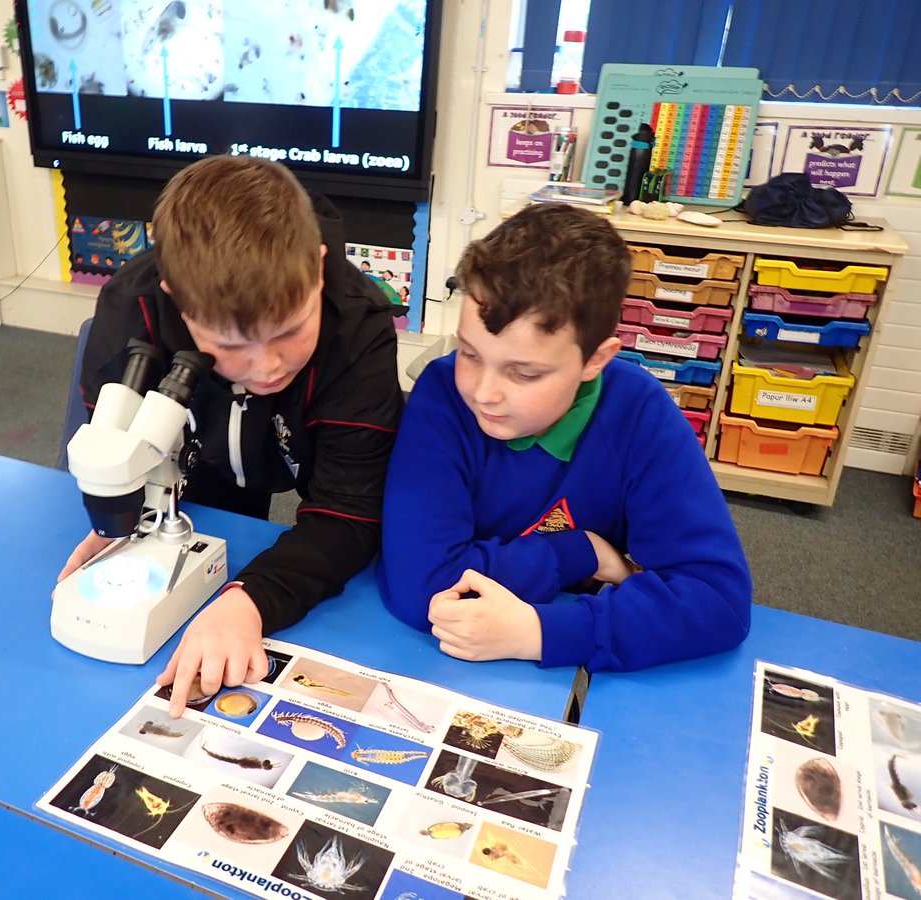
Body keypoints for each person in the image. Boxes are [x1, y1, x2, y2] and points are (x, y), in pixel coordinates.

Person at [58, 155, 403, 714]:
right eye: (230, 344)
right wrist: (124, 518)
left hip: (302, 454)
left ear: (318, 270)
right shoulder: (130, 310)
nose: (266, 366)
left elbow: (349, 511)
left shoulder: (358, 326)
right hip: (200, 465)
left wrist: (251, 599)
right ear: (175, 299)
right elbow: (117, 441)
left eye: (289, 331)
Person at [378, 203, 751, 671]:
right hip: (450, 662)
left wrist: (537, 633)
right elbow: (423, 587)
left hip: (558, 655)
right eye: (470, 354)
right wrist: (581, 552)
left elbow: (719, 601)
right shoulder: (443, 395)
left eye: (524, 373)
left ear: (596, 359)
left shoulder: (639, 413)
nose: (483, 392)